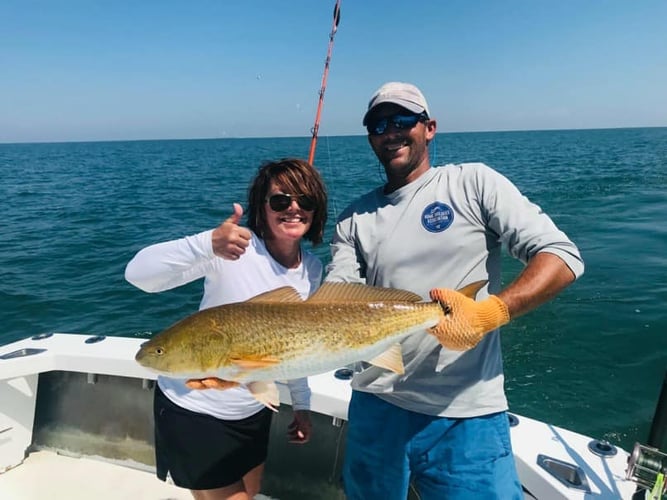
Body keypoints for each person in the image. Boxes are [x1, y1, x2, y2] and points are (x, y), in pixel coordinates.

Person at [325, 82, 584, 499]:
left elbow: (561, 256)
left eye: (402, 120)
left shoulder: (473, 183)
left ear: (429, 128)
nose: (390, 131)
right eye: (378, 124)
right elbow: (337, 295)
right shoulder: (352, 219)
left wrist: (491, 313)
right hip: (376, 407)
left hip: (466, 414)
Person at [125, 158, 328, 500]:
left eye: (305, 201)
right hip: (196, 411)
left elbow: (295, 346)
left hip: (253, 411)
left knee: (253, 489)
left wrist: (302, 406)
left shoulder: (312, 269)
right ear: (261, 208)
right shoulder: (233, 249)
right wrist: (206, 244)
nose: (293, 209)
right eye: (280, 201)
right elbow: (138, 274)